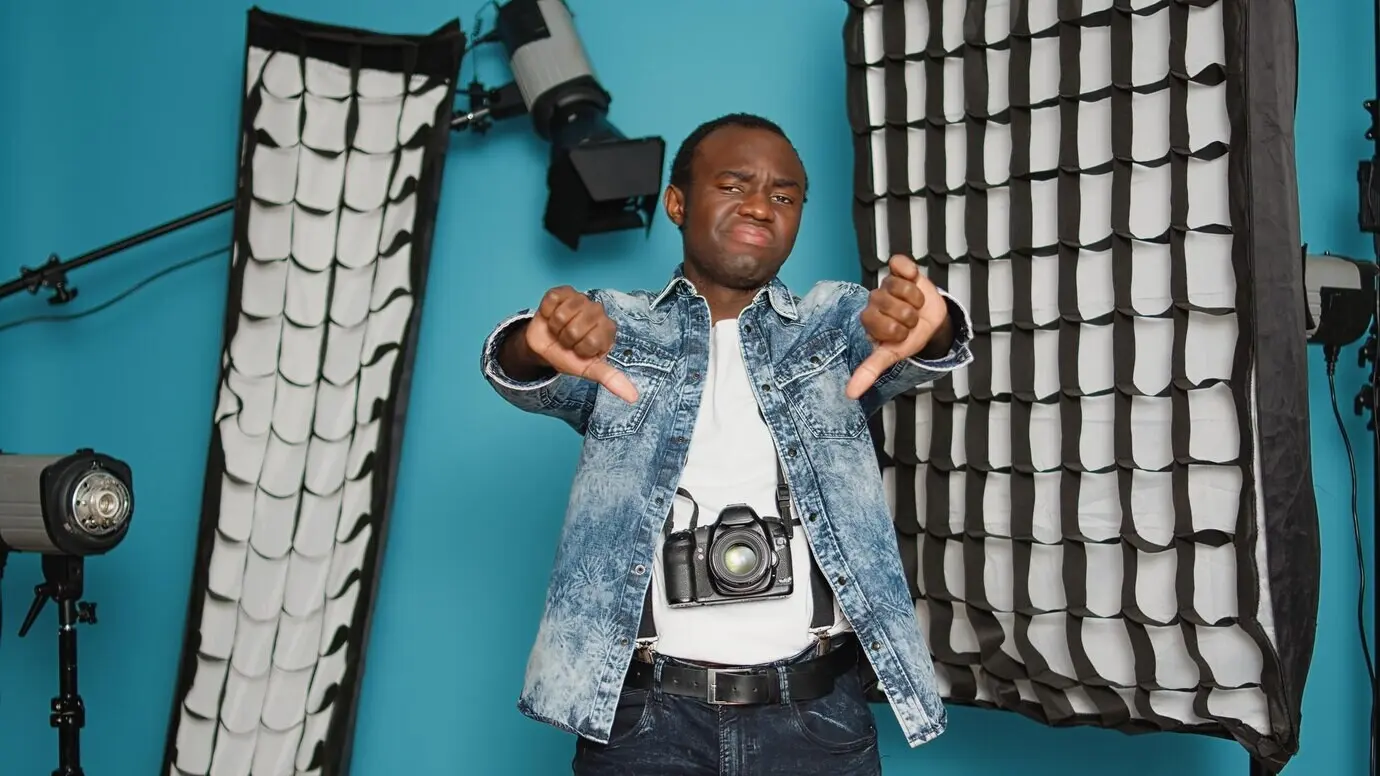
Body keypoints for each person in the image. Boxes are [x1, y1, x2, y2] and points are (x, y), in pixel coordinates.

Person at [480, 112, 974, 775]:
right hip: (644, 719)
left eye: (784, 195)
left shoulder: (834, 324)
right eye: (735, 184)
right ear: (678, 203)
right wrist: (533, 340)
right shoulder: (615, 329)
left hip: (819, 714)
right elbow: (528, 373)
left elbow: (908, 344)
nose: (761, 207)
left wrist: (932, 324)